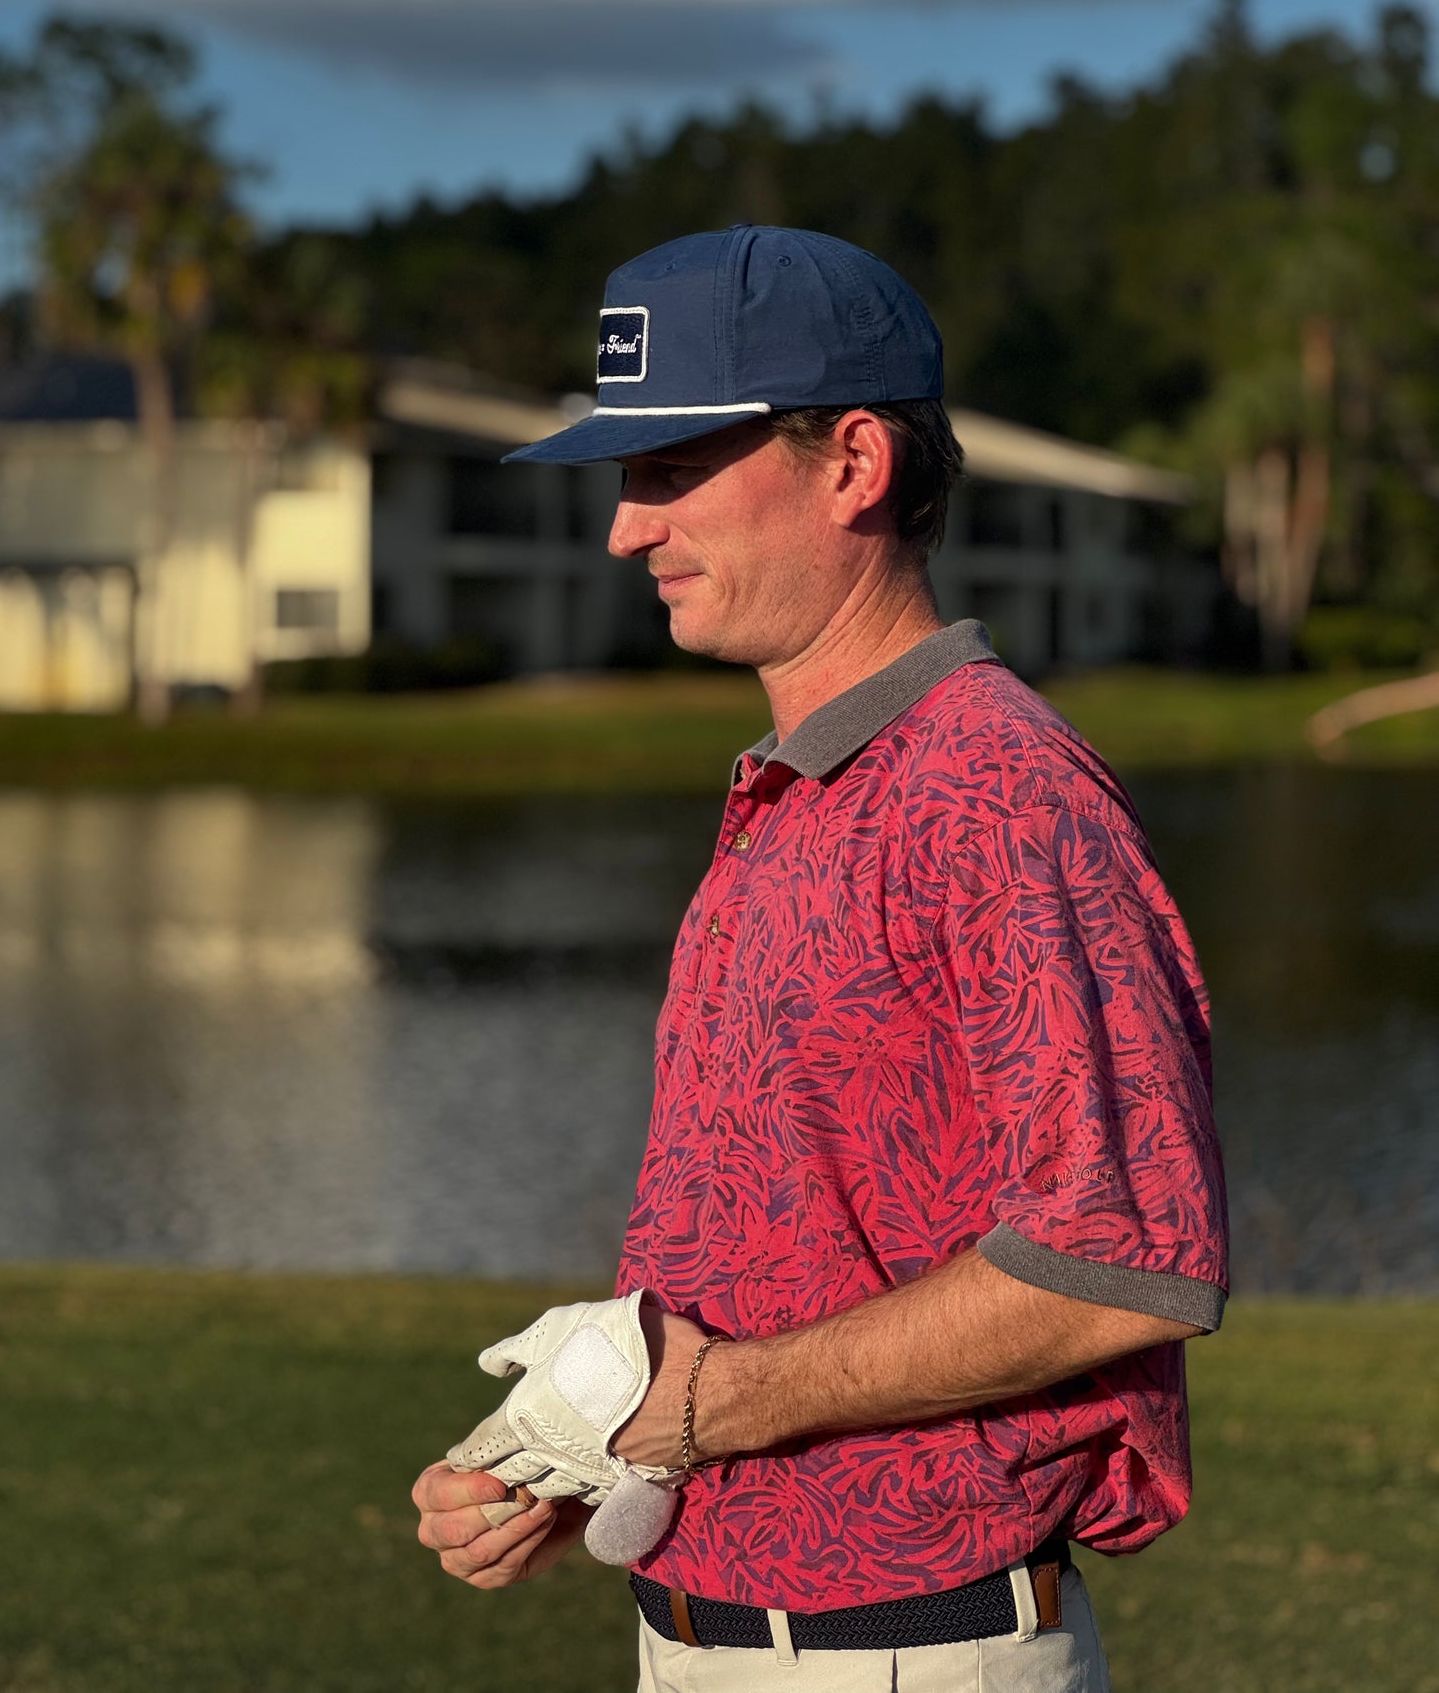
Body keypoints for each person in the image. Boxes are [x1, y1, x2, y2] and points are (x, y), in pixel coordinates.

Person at [412, 225, 1228, 1690]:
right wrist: (588, 1452)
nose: (624, 530)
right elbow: (799, 1240)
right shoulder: (798, 789)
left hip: (906, 1657)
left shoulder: (996, 792)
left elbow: (1119, 1263)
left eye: (668, 474)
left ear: (852, 463)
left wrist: (703, 1404)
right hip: (713, 1639)